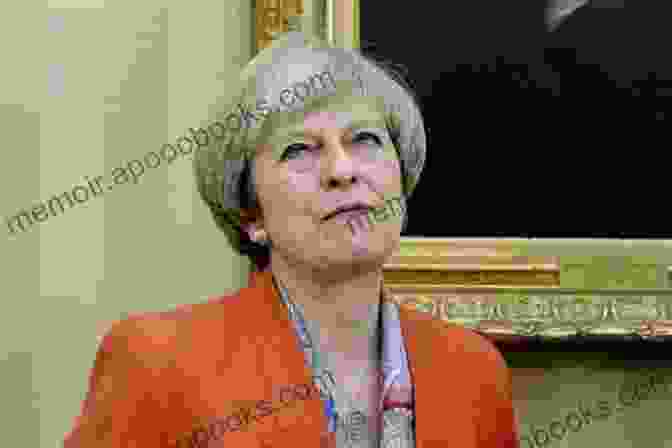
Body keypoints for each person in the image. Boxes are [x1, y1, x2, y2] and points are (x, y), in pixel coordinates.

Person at [63, 32, 518, 448]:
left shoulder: (473, 370)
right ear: (251, 213)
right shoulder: (154, 362)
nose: (343, 170)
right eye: (299, 149)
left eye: (365, 140)